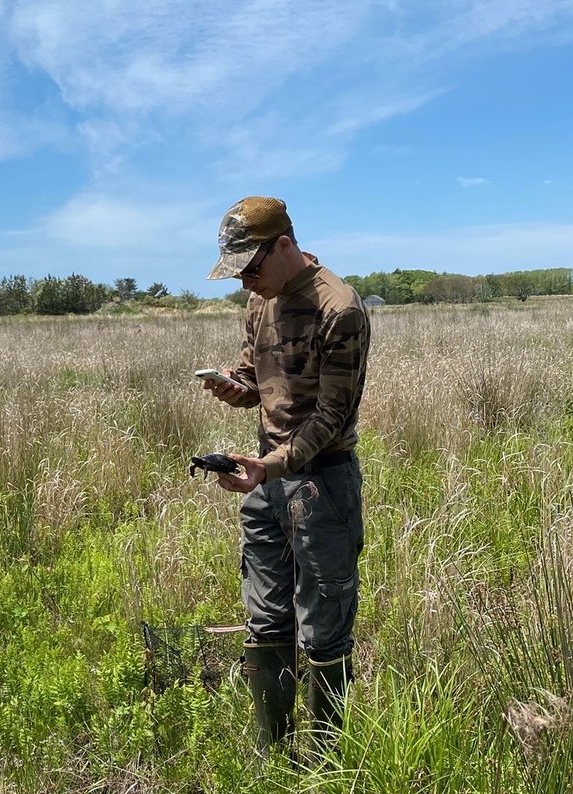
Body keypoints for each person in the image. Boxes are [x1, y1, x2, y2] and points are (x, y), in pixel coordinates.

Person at [201, 196, 370, 757]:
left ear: (284, 246)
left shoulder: (339, 308)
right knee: (266, 618)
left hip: (322, 485)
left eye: (251, 268)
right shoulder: (260, 302)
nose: (246, 282)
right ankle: (273, 758)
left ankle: (326, 764)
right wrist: (234, 388)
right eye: (238, 274)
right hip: (265, 481)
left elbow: (331, 417)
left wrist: (268, 467)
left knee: (323, 631)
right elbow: (256, 380)